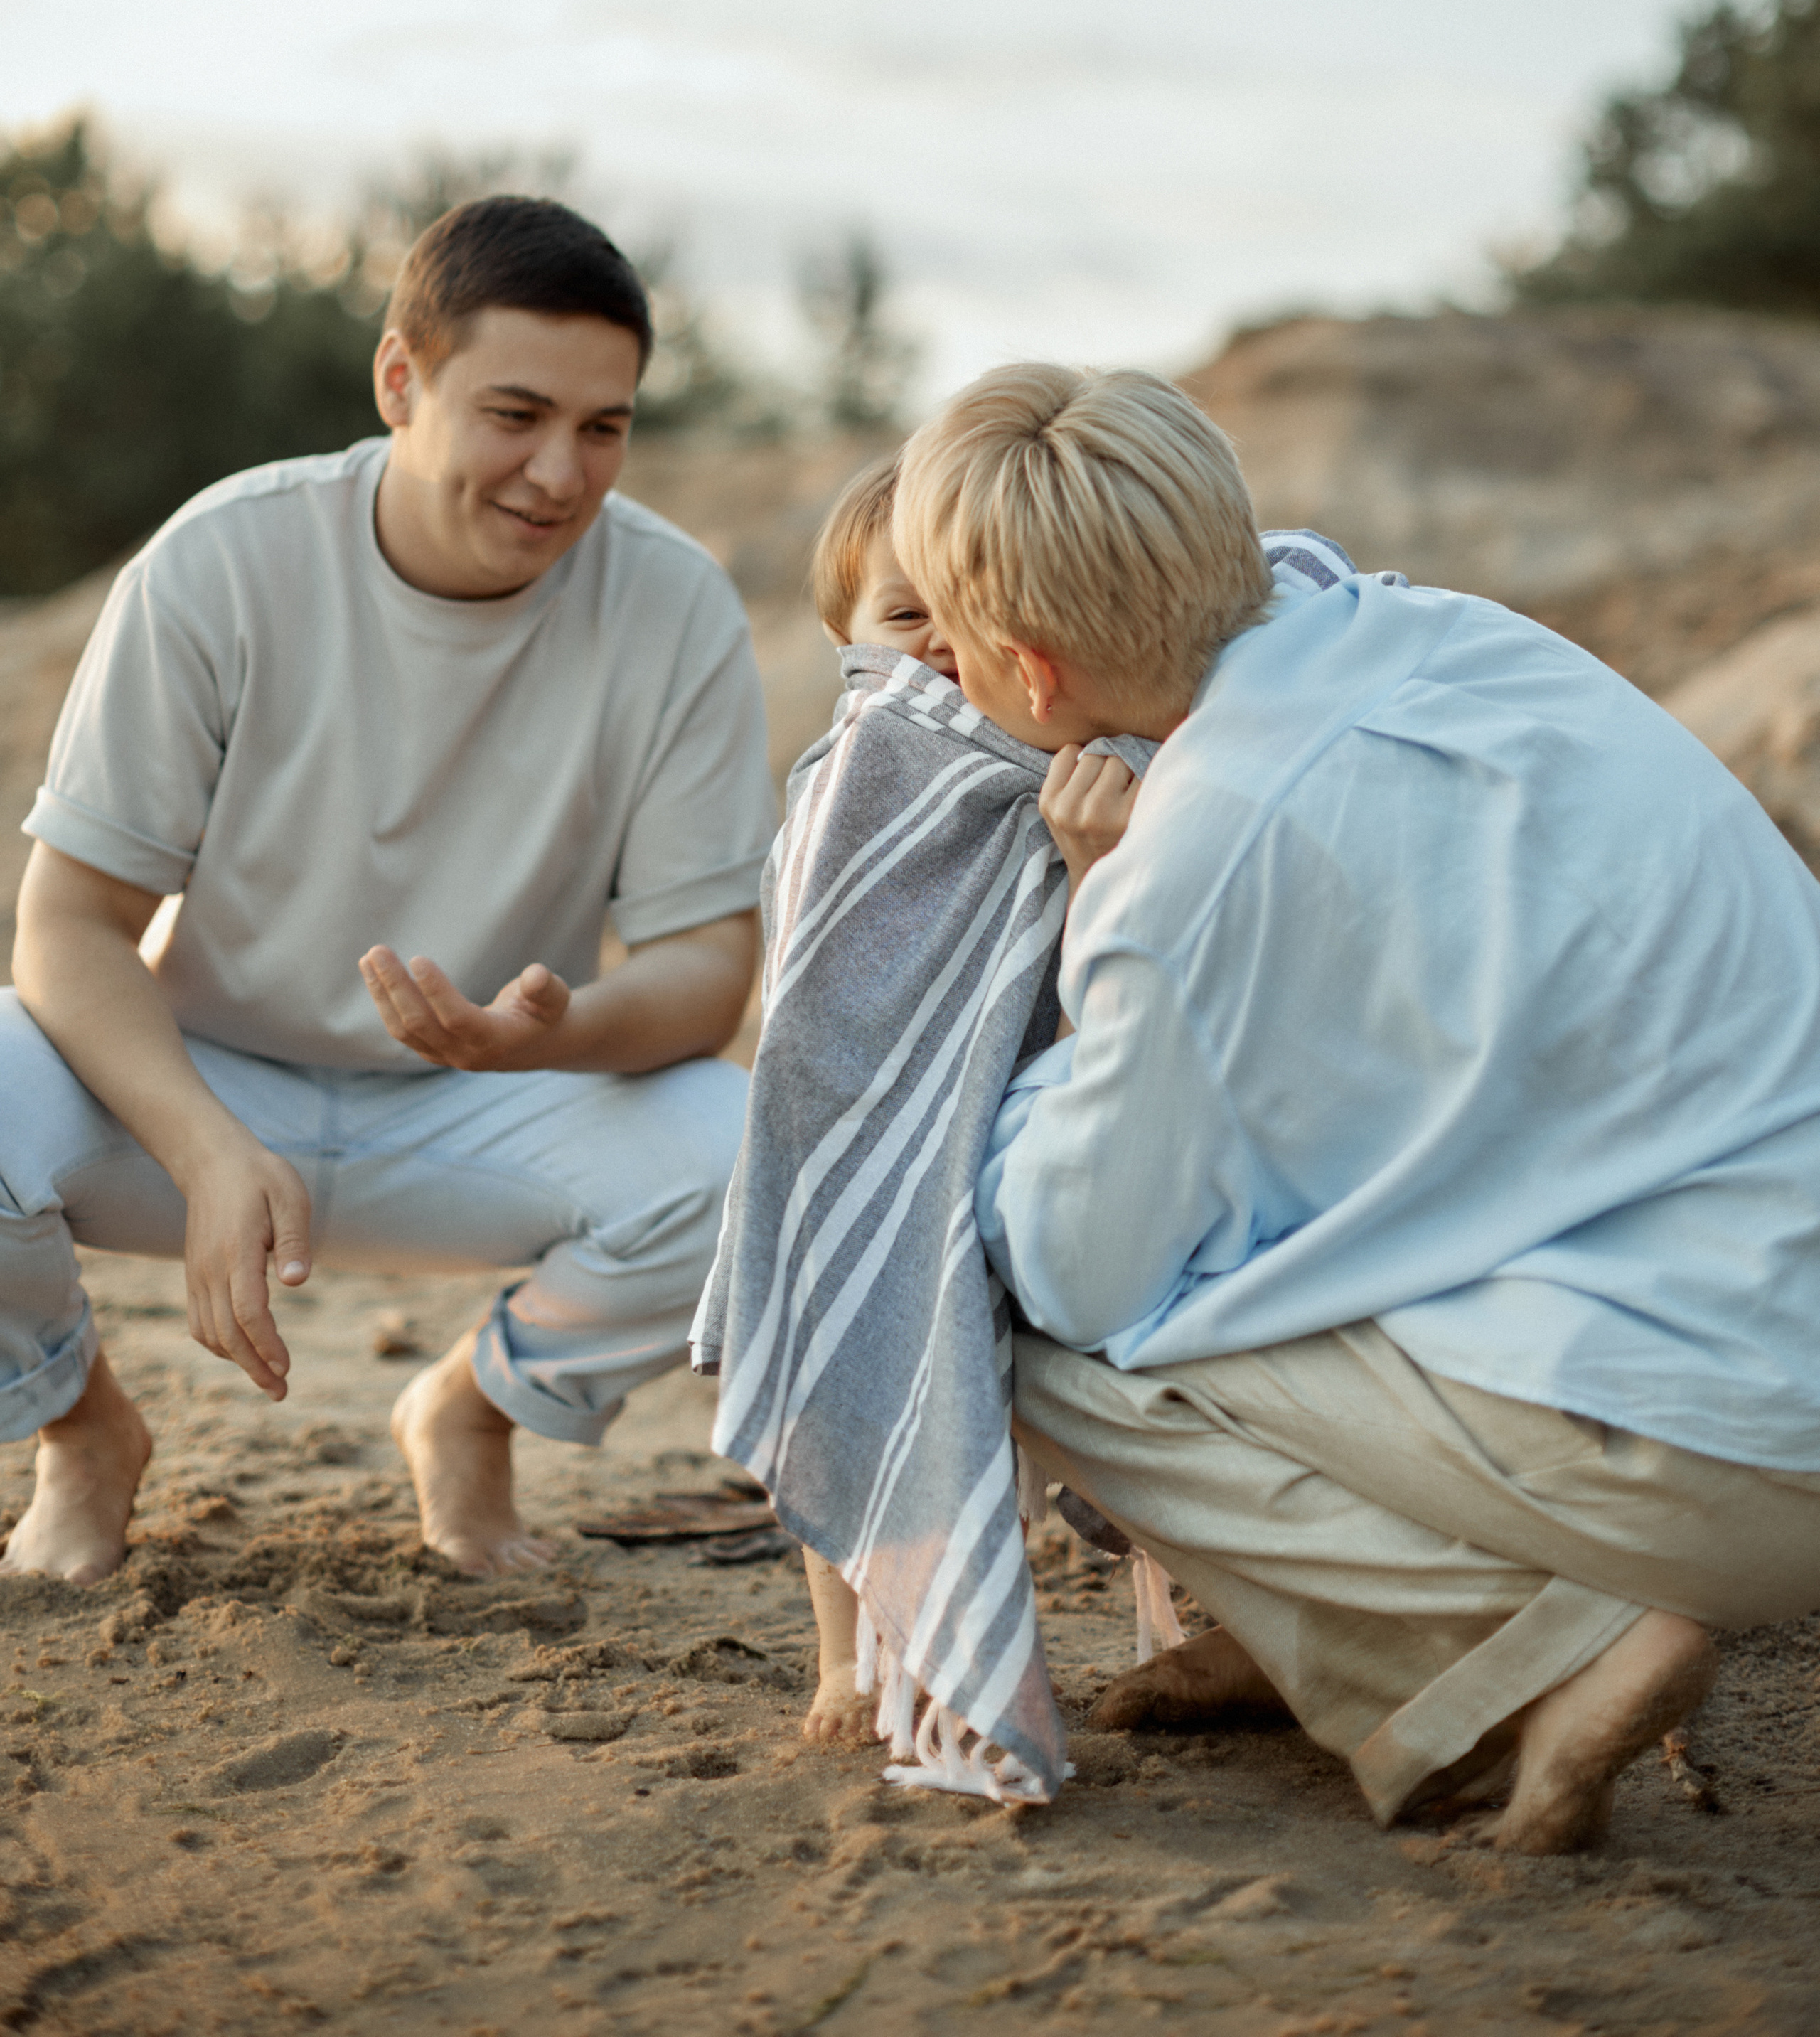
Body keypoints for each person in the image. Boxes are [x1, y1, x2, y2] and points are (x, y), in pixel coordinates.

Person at [889, 360, 1820, 1854]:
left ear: (1033, 674)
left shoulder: (1187, 859)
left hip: (1732, 1449)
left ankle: (1510, 1660)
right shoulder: (1474, 639)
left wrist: (1054, 1018)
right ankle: (1340, 1642)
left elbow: (1077, 1268)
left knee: (1026, 1327)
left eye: (943, 631)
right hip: (1764, 1318)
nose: (930, 659)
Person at [1, 196, 774, 1585]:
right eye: (515, 414)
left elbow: (709, 968)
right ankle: (83, 1429)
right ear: (400, 379)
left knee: (772, 1161)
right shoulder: (221, 560)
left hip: (485, 1102)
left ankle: (472, 1411)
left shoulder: (675, 606)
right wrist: (202, 1147)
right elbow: (68, 927)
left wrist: (549, 1033)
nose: (559, 473)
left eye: (603, 427)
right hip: (200, 1084)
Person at [791, 448, 1138, 1750]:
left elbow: (1129, 996)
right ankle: (851, 1654)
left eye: (967, 609)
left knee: (1118, 1352)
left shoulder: (1081, 769)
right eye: (903, 614)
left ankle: (1177, 1625)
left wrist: (1092, 863)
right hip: (882, 1142)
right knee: (861, 1359)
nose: (939, 642)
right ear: (846, 641)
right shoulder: (850, 786)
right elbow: (817, 1001)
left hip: (1047, 1131)